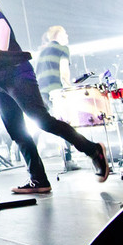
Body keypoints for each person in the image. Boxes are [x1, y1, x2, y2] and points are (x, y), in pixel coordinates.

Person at [0, 0, 109, 193]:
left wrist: (0, 59)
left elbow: (2, 28)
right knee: (16, 130)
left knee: (42, 121)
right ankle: (39, 179)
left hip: (14, 72)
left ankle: (93, 150)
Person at [35, 25, 75, 169]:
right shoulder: (62, 49)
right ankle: (68, 160)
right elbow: (64, 71)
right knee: (63, 122)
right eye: (65, 33)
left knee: (40, 123)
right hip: (54, 90)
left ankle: (32, 159)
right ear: (58, 35)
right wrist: (69, 86)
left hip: (39, 90)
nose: (67, 36)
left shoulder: (42, 51)